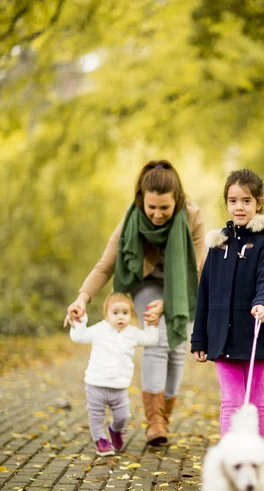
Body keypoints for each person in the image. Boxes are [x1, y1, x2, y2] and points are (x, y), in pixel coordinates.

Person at [64, 160, 205, 445]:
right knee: (159, 337)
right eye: (151, 207)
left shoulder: (192, 216)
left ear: (176, 200)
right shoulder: (131, 220)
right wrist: (82, 298)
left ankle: (163, 417)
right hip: (147, 284)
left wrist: (170, 302)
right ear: (141, 199)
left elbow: (200, 268)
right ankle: (154, 422)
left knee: (177, 348)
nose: (157, 214)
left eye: (164, 208)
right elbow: (105, 266)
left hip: (184, 287)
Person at [191, 168, 264, 438]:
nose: (239, 207)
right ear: (226, 203)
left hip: (256, 337)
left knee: (255, 402)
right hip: (222, 339)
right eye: (233, 201)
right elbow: (205, 293)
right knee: (230, 402)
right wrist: (199, 339)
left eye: (246, 201)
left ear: (258, 203)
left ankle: (258, 455)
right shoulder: (218, 245)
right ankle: (232, 458)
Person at [70, 292, 159, 456]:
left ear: (131, 315)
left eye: (125, 313)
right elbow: (79, 336)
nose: (120, 317)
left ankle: (115, 431)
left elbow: (150, 339)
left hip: (119, 387)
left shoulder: (132, 333)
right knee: (96, 416)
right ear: (106, 315)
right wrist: (79, 321)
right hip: (96, 384)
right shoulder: (99, 330)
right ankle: (100, 440)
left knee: (123, 416)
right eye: (115, 312)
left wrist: (151, 324)